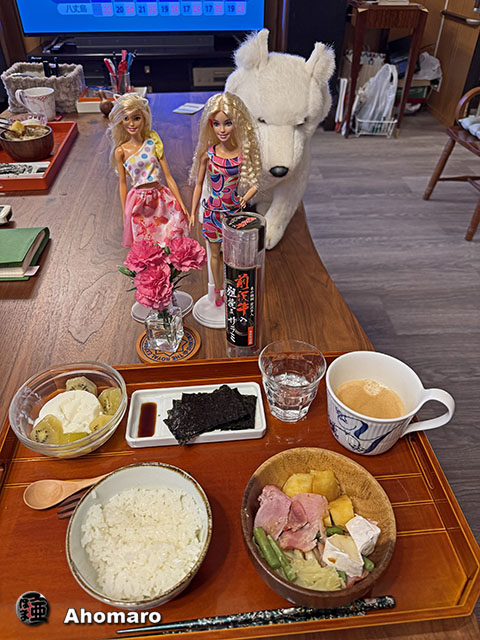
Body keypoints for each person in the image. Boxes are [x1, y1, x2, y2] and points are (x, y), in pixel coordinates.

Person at [190, 92, 261, 306]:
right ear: (210, 125)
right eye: (217, 124)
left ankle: (235, 290)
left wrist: (244, 198)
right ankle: (218, 291)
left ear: (237, 124)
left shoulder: (242, 154)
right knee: (214, 255)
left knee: (234, 256)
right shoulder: (208, 154)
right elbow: (198, 185)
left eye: (227, 123)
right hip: (212, 212)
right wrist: (193, 212)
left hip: (233, 214)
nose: (222, 130)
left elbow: (255, 182)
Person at [108, 93, 192, 248]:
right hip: (138, 201)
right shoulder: (121, 151)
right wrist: (125, 213)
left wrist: (181, 202)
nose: (131, 123)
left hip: (160, 197)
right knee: (144, 240)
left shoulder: (152, 142)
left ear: (144, 118)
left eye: (136, 118)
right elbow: (122, 184)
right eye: (126, 118)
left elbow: (168, 176)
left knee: (169, 233)